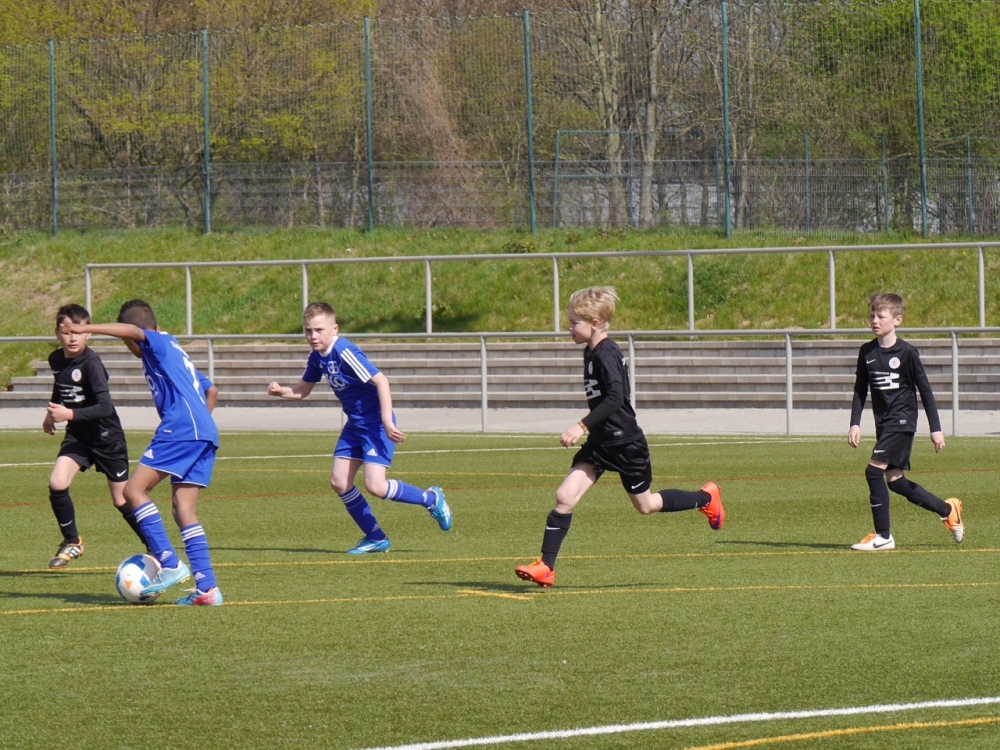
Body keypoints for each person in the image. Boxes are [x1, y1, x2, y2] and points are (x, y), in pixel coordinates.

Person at [515, 286, 724, 588]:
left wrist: (581, 425)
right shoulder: (590, 351)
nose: (568, 327)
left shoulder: (607, 354)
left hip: (626, 444)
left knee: (646, 505)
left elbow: (616, 397)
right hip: (600, 445)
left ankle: (706, 498)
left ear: (594, 324)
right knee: (564, 497)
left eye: (574, 322)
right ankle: (546, 567)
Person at [60, 299, 223, 605]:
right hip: (203, 432)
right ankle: (208, 589)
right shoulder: (175, 352)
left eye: (129, 339)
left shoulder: (158, 342)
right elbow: (210, 389)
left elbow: (135, 332)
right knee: (183, 509)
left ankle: (169, 563)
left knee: (133, 492)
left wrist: (85, 328)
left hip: (182, 428)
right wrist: (201, 426)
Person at [266, 301, 452, 554]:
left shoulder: (344, 351)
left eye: (319, 330)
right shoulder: (317, 357)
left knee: (376, 486)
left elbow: (381, 380)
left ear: (334, 329)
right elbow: (302, 390)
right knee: (339, 482)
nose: (313, 336)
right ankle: (376, 537)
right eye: (308, 330)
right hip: (355, 424)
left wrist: (387, 420)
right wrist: (280, 391)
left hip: (375, 424)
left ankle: (431, 499)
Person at [847, 292, 963, 551]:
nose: (874, 321)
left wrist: (936, 429)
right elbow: (860, 389)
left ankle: (883, 536)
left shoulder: (908, 353)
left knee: (873, 471)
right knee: (896, 480)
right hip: (884, 423)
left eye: (881, 316)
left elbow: (926, 391)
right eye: (872, 316)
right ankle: (948, 510)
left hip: (902, 422)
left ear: (897, 320)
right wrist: (855, 423)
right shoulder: (867, 351)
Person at [42, 304, 146, 569]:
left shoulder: (92, 364)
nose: (73, 338)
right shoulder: (56, 359)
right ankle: (73, 541)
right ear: (57, 333)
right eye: (66, 331)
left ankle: (155, 545)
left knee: (122, 500)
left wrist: (69, 414)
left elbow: (105, 407)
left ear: (88, 334)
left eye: (78, 332)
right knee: (57, 483)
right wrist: (52, 413)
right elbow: (61, 385)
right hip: (78, 436)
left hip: (106, 438)